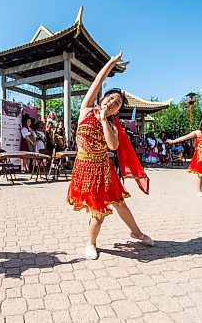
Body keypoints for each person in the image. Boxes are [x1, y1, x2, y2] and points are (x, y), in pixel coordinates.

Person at [67, 52, 154, 260]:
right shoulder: (86, 109)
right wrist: (111, 63)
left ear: (116, 111)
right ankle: (91, 243)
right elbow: (97, 81)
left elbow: (113, 146)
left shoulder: (113, 125)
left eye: (117, 104)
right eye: (111, 98)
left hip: (103, 170)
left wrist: (105, 120)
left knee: (118, 204)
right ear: (104, 97)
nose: (113, 102)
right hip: (83, 168)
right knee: (97, 210)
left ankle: (137, 233)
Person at [167, 103, 202, 197]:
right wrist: (173, 141)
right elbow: (184, 138)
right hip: (201, 156)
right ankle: (199, 191)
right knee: (200, 174)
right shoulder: (198, 132)